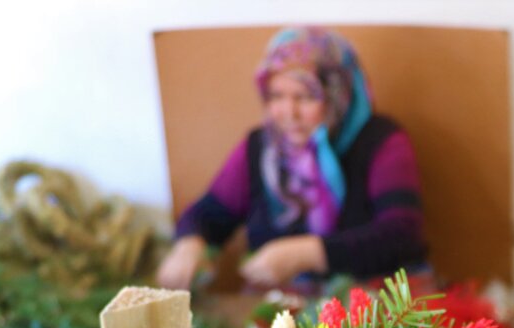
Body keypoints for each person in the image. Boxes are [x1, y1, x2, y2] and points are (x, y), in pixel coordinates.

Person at [156, 26, 428, 294]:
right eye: (276, 96)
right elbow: (210, 213)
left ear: (338, 95)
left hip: (375, 310)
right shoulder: (260, 147)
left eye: (306, 97)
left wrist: (308, 253)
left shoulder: (382, 142)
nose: (289, 112)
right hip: (280, 314)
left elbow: (402, 234)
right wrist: (189, 244)